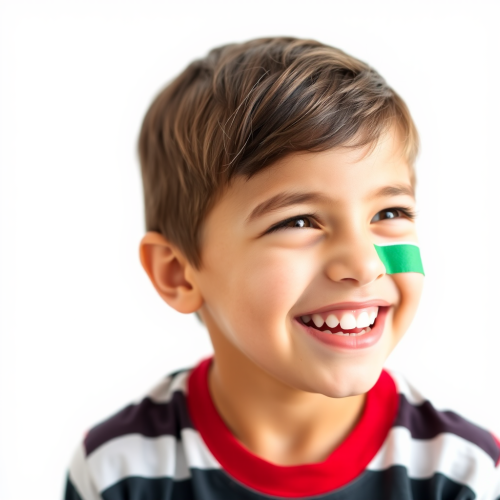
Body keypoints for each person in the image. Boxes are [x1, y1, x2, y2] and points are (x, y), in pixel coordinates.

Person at [64, 37, 500, 499]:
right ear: (178, 272)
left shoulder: (465, 473)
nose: (364, 264)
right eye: (297, 222)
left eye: (389, 214)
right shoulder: (117, 470)